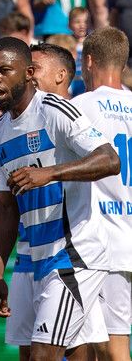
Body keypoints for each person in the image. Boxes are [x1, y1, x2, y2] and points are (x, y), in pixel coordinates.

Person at [0, 36, 119, 359]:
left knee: (44, 354)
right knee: (42, 353)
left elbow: (109, 160)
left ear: (29, 73)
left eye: (4, 70)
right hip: (34, 261)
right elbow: (5, 206)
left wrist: (50, 173)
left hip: (74, 256)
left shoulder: (53, 110)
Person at [72, 27, 132, 361]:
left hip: (104, 243)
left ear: (89, 61)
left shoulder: (80, 107)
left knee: (111, 348)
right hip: (128, 238)